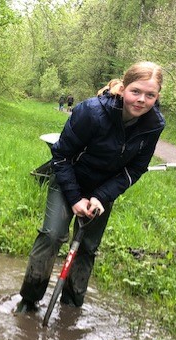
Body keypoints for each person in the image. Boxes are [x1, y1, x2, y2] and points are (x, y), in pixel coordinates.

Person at [16, 61, 165, 314]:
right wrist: (75, 198)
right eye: (136, 92)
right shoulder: (91, 112)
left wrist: (100, 197)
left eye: (150, 95)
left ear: (157, 96)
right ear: (124, 88)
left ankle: (72, 307)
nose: (141, 100)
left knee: (87, 247)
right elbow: (61, 156)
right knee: (52, 235)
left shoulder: (153, 125)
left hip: (103, 192)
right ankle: (28, 300)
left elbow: (135, 169)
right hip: (67, 180)